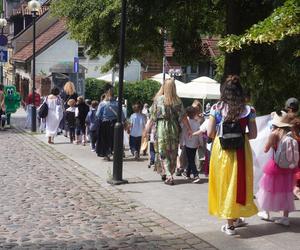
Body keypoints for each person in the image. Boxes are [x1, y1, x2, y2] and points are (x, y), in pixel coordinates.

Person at [207, 75, 258, 236]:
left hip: (222, 150)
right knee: (239, 183)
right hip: (241, 150)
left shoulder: (216, 108)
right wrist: (240, 136)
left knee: (225, 183)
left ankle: (230, 225)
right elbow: (254, 134)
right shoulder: (248, 110)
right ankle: (236, 217)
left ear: (224, 92)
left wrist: (223, 135)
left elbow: (210, 132)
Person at [256, 112, 299, 226]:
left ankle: (265, 212)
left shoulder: (274, 134)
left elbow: (265, 149)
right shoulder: (291, 135)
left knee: (268, 190)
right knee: (286, 192)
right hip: (288, 169)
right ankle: (285, 218)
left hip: (275, 167)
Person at [149, 78, 192, 185]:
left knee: (162, 152)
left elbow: (152, 117)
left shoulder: (158, 100)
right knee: (172, 152)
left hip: (161, 129)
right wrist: (189, 129)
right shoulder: (177, 101)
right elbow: (183, 117)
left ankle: (168, 175)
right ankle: (167, 173)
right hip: (174, 128)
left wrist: (147, 129)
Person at [96, 84, 119, 160]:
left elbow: (98, 114)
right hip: (115, 123)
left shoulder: (102, 104)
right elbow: (121, 114)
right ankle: (113, 151)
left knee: (104, 139)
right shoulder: (116, 103)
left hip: (105, 123)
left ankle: (107, 154)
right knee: (113, 139)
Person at [181, 106, 202, 183]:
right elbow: (200, 134)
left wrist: (181, 143)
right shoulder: (197, 123)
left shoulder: (186, 123)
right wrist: (201, 142)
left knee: (190, 160)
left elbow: (183, 134)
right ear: (194, 114)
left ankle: (196, 175)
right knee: (191, 158)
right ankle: (187, 174)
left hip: (187, 143)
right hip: (195, 143)